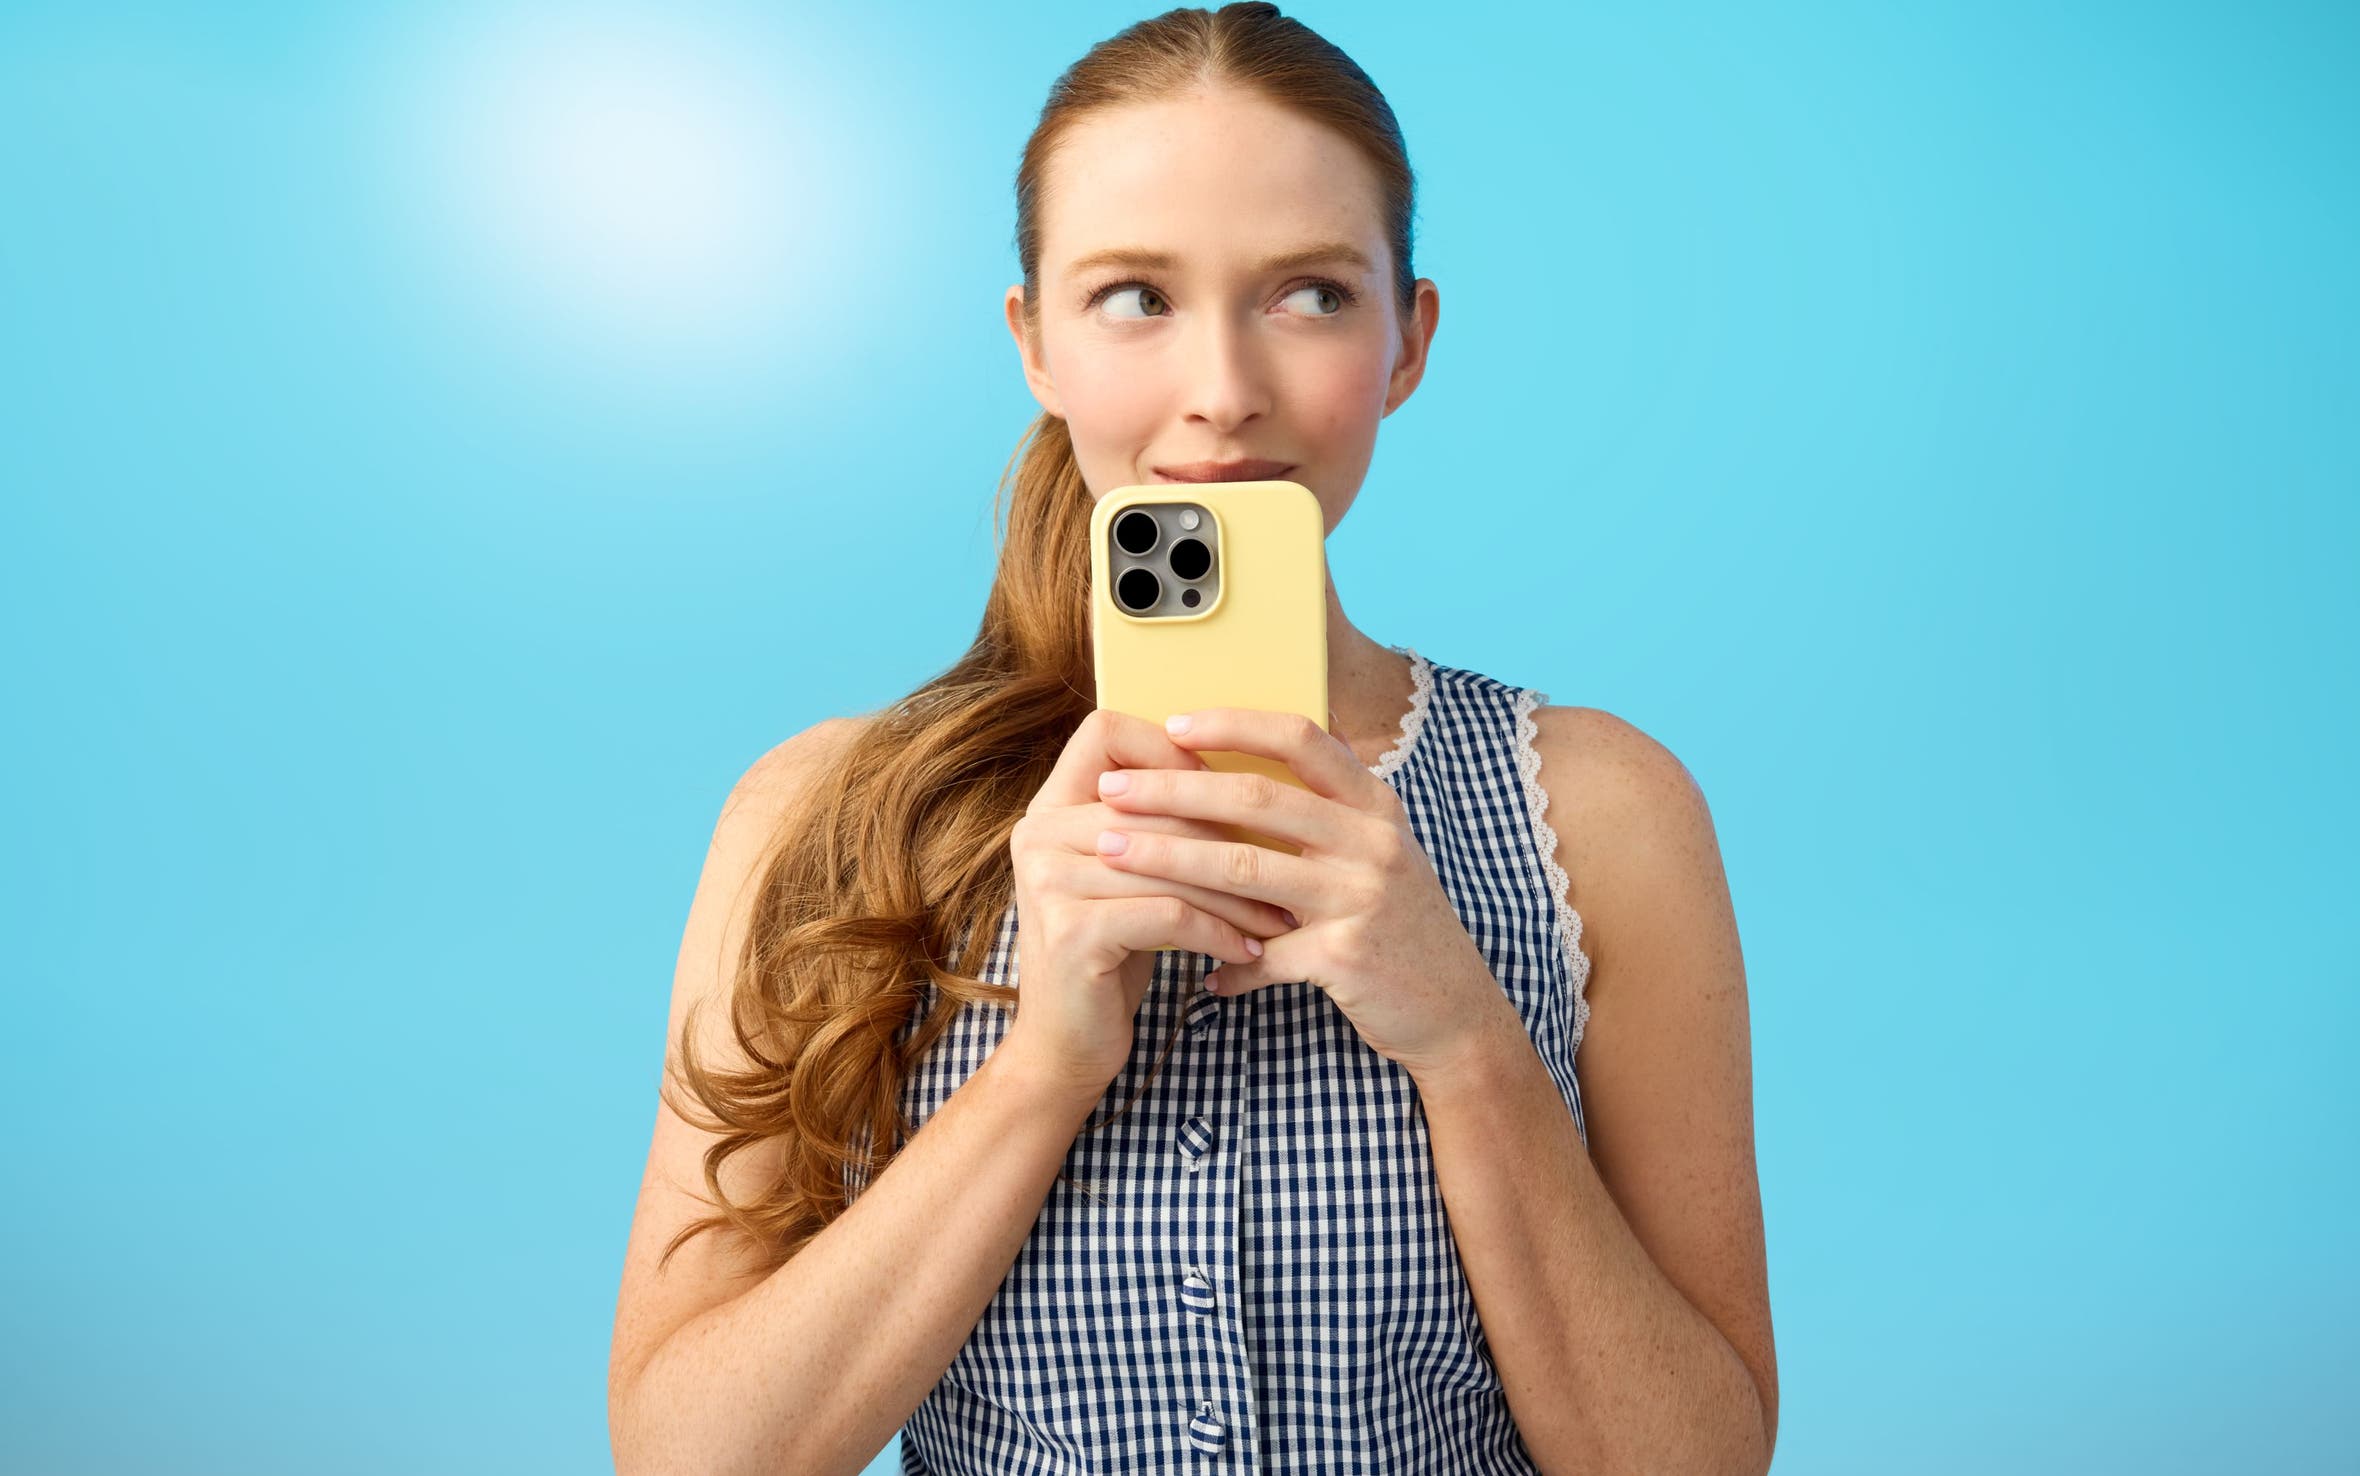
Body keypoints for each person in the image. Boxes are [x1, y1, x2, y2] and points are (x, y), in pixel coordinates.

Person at [607, 5, 1776, 1473]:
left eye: (1308, 294)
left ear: (1407, 339)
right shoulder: (823, 818)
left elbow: (1699, 1461)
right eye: (1135, 297)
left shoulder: (1602, 816)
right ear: (1035, 340)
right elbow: (690, 1456)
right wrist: (1043, 1068)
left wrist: (1467, 1039)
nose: (1222, 387)